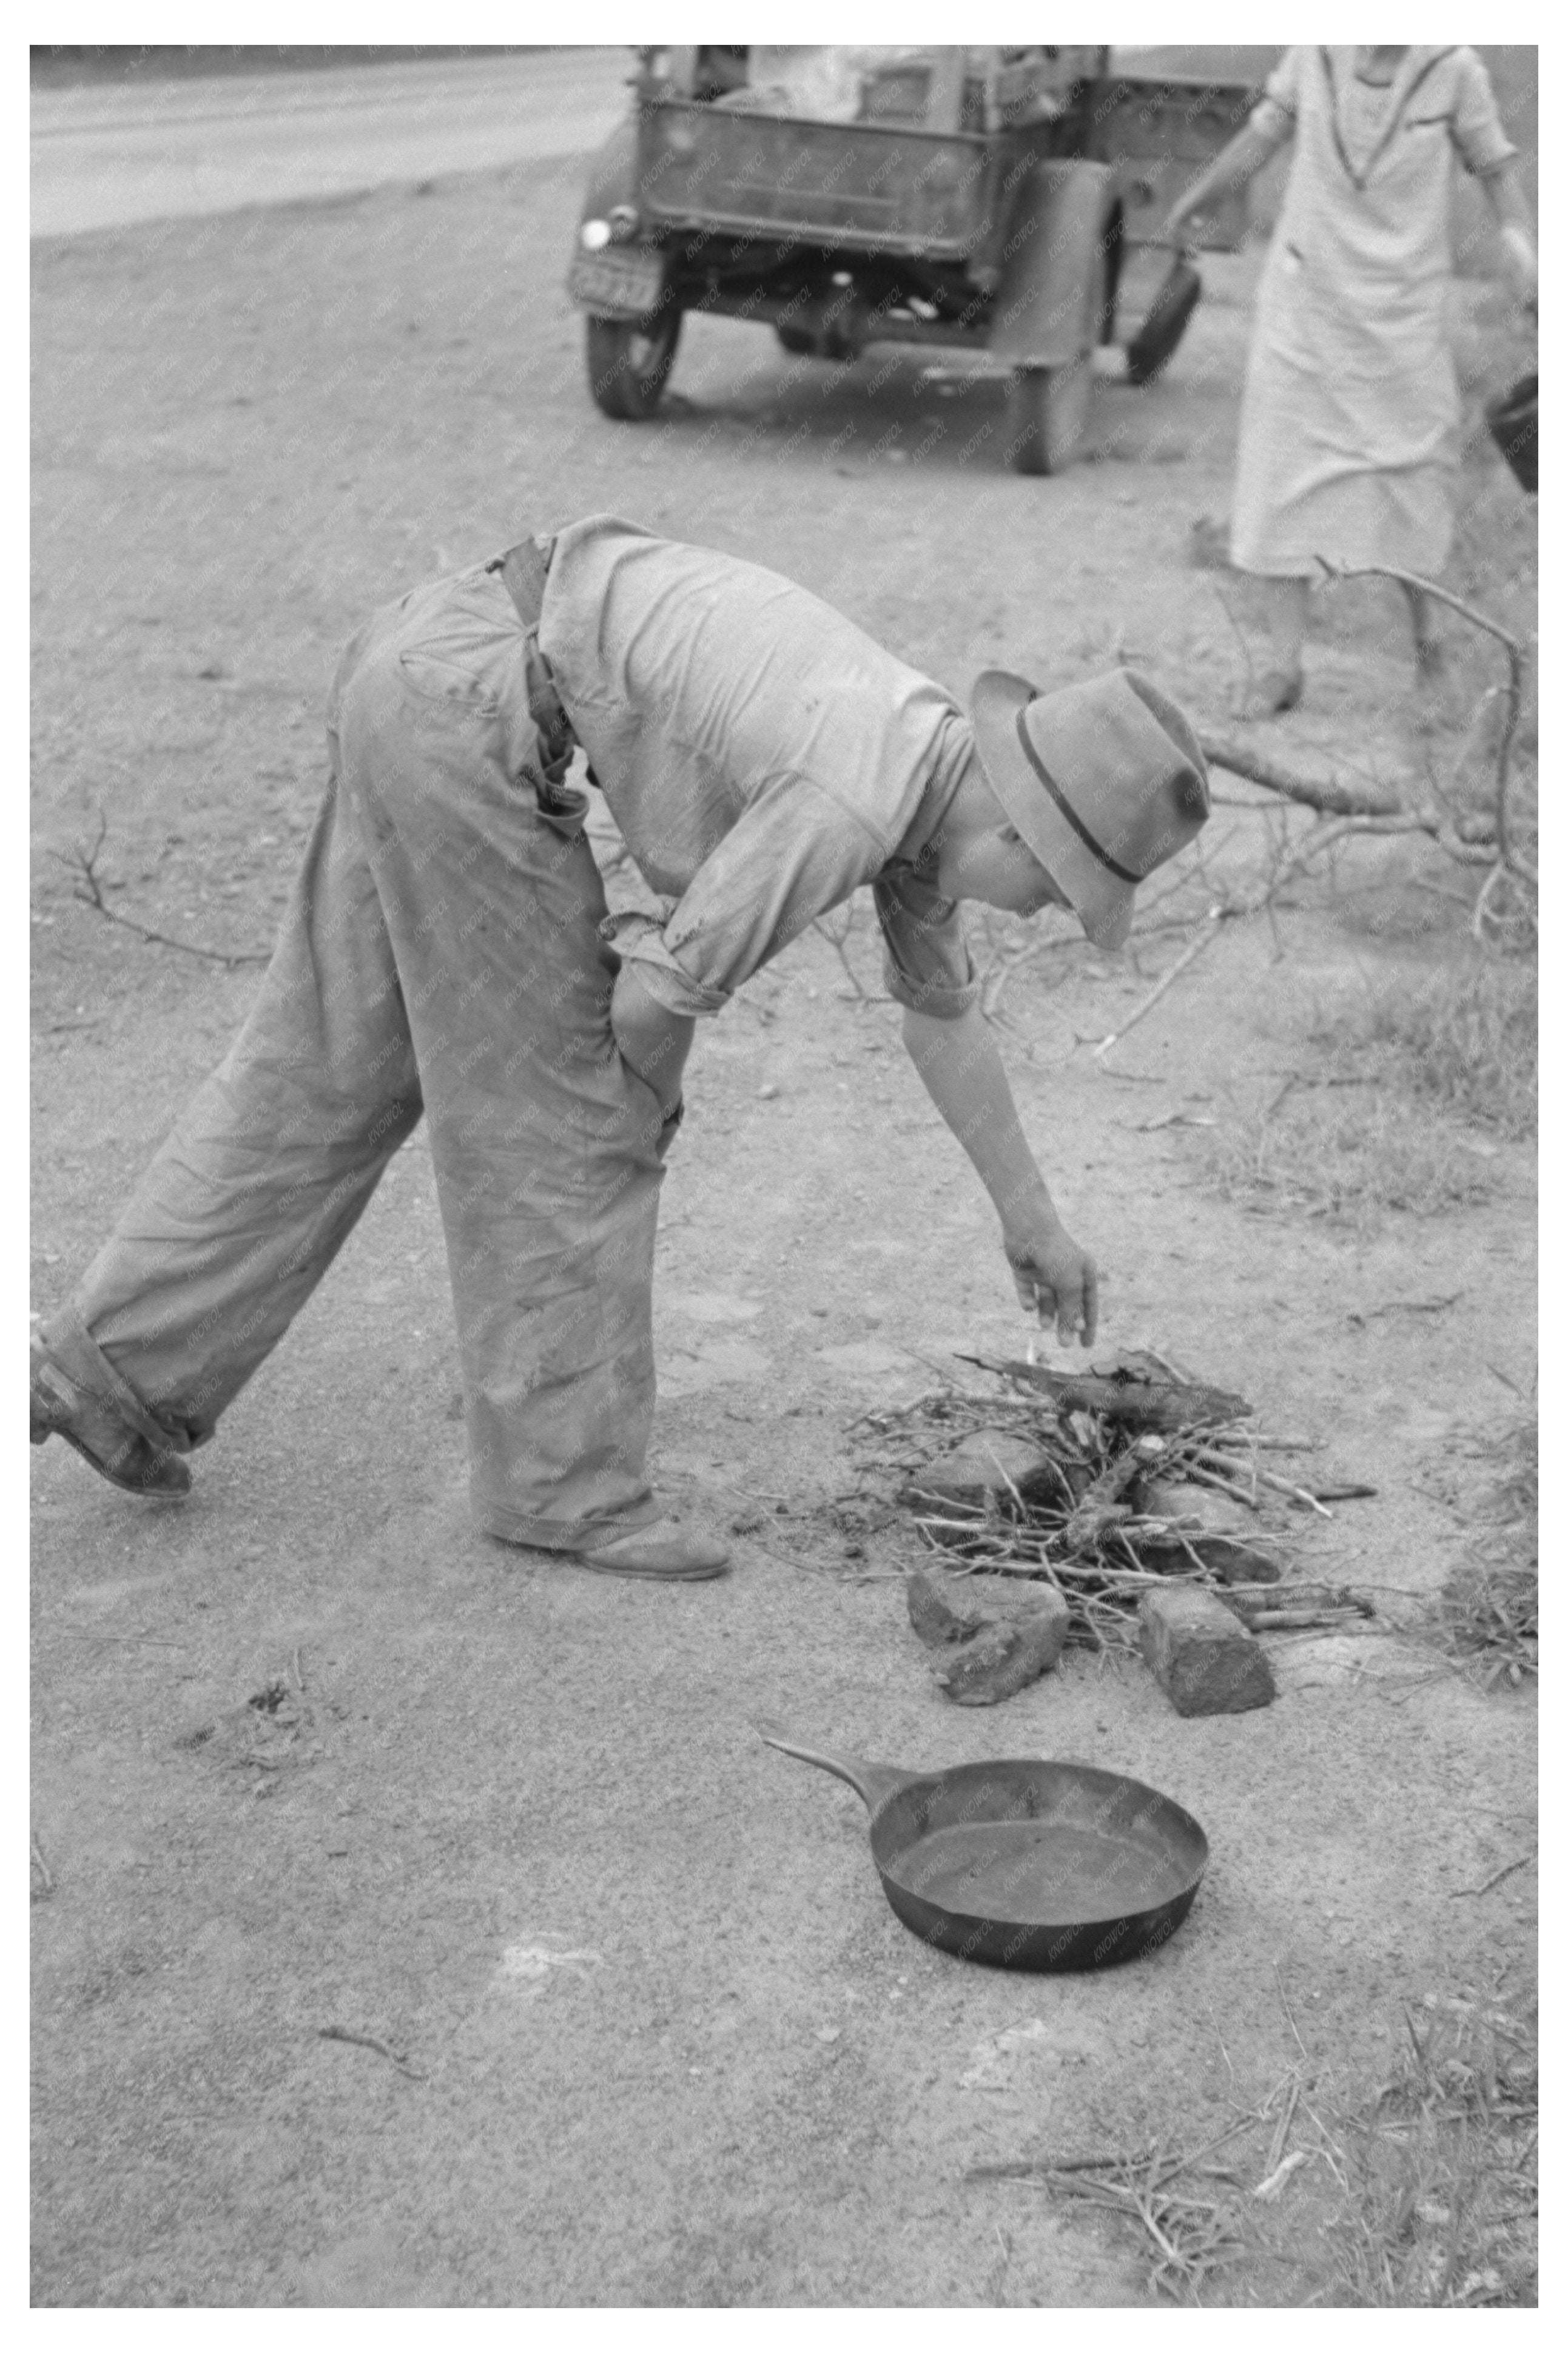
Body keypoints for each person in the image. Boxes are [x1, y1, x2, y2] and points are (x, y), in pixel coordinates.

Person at [30, 517, 1210, 1580]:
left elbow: (939, 1015)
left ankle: (109, 1371)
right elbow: (651, 1010)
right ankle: (563, 1486)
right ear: (1011, 822)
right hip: (463, 720)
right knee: (584, 1111)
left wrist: (1030, 1219)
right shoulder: (853, 799)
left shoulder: (927, 774)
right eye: (1050, 891)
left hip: (427, 660)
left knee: (337, 1063)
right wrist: (629, 1104)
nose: (1037, 917)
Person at [1163, 45, 1538, 716]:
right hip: (1305, 306)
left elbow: (1497, 174)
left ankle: (1431, 646)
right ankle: (1281, 666)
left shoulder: (1453, 71)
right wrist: (1195, 199)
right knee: (1283, 476)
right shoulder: (1314, 54)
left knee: (1413, 475)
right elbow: (1260, 137)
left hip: (1403, 313)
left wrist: (1524, 258)